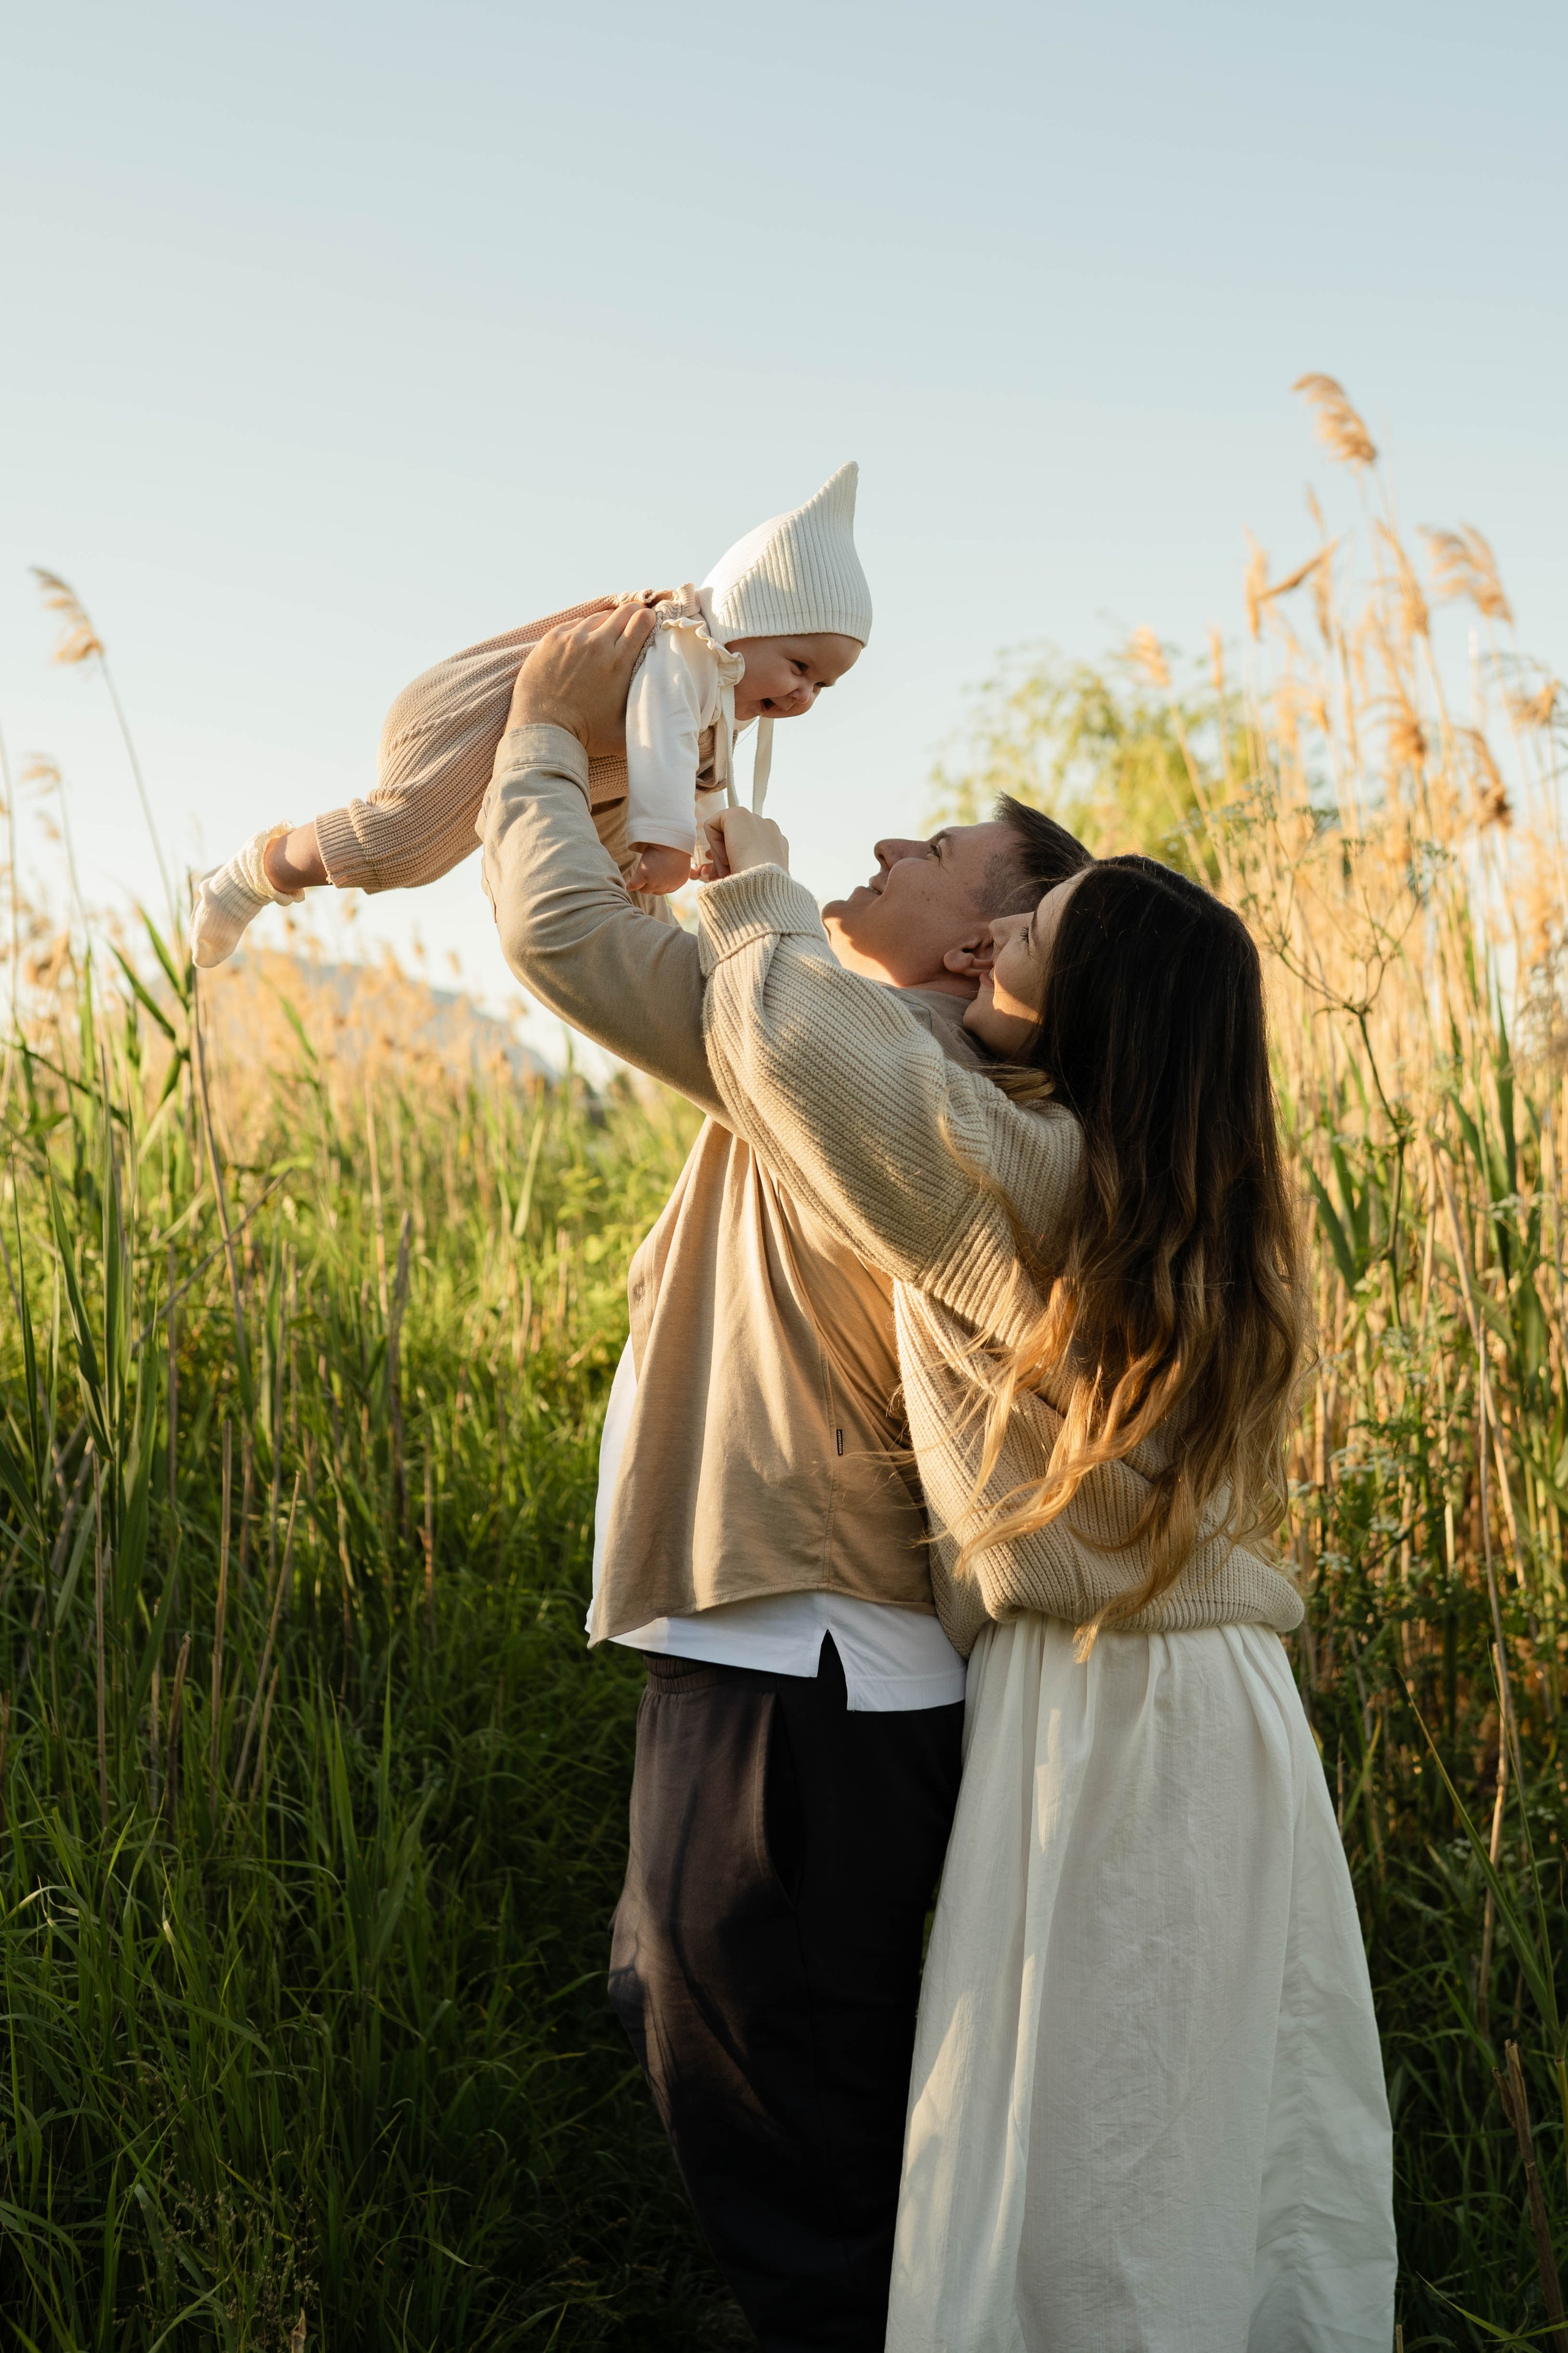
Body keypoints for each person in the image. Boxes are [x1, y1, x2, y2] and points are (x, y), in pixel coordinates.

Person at [687, 804, 1399, 2352]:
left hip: (1096, 1709)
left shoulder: (1024, 1182)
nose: (999, 939)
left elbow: (805, 1063)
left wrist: (753, 897)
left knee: (1084, 2135)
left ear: (1088, 1013)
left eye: (1031, 938)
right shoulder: (1210, 1212)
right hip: (1230, 1704)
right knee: (1223, 2124)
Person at [476, 600, 1096, 2352]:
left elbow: (562, 933)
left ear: (990, 945)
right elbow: (625, 906)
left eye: (939, 847)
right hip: (815, 1663)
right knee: (790, 2086)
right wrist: (663, 731)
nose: (889, 837)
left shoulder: (838, 1050)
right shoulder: (847, 1041)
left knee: (782, 2131)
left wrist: (541, 726)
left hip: (800, 1662)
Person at [187, 461, 869, 967]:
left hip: (588, 764)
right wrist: (669, 841)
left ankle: (709, 999)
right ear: (747, 621)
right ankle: (255, 872)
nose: (804, 694)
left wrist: (703, 837)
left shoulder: (729, 689)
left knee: (625, 906)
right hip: (478, 719)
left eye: (825, 687)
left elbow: (697, 774)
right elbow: (660, 737)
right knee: (405, 845)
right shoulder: (679, 647)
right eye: (800, 666)